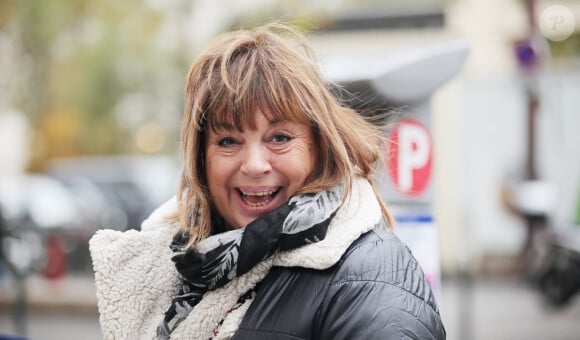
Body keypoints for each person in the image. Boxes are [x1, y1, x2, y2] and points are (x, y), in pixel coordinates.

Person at [89, 23, 446, 340]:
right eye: (228, 141)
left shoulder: (370, 286)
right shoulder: (180, 261)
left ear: (319, 148)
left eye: (279, 138)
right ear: (201, 160)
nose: (255, 165)